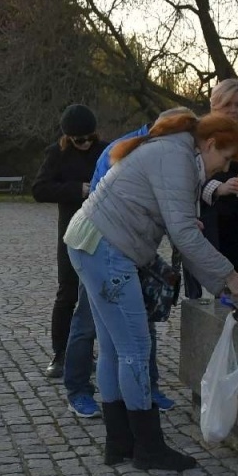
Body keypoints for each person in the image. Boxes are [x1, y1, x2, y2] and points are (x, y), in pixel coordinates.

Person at [64, 111, 238, 471]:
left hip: (89, 241)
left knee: (113, 349)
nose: (223, 167)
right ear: (211, 143)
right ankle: (149, 449)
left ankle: (119, 443)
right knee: (136, 350)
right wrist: (232, 280)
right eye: (226, 158)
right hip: (107, 249)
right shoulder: (179, 157)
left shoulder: (172, 149)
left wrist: (182, 224)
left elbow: (166, 215)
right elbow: (184, 235)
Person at [61, 109, 194, 417]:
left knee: (138, 326)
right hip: (101, 246)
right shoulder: (125, 149)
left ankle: (146, 389)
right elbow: (108, 200)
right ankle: (79, 389)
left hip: (133, 248)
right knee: (89, 325)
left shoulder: (163, 151)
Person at [32, 104, 100, 379]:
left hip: (102, 228)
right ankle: (60, 353)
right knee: (67, 292)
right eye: (77, 139)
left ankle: (90, 351)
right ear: (68, 137)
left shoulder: (105, 150)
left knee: (96, 293)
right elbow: (39, 189)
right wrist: (76, 189)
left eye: (87, 138)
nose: (84, 144)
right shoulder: (57, 153)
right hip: (71, 231)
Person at [184, 78, 238, 299]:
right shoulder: (201, 132)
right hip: (209, 214)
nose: (234, 110)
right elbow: (188, 174)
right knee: (211, 274)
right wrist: (218, 188)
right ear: (216, 103)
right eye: (228, 104)